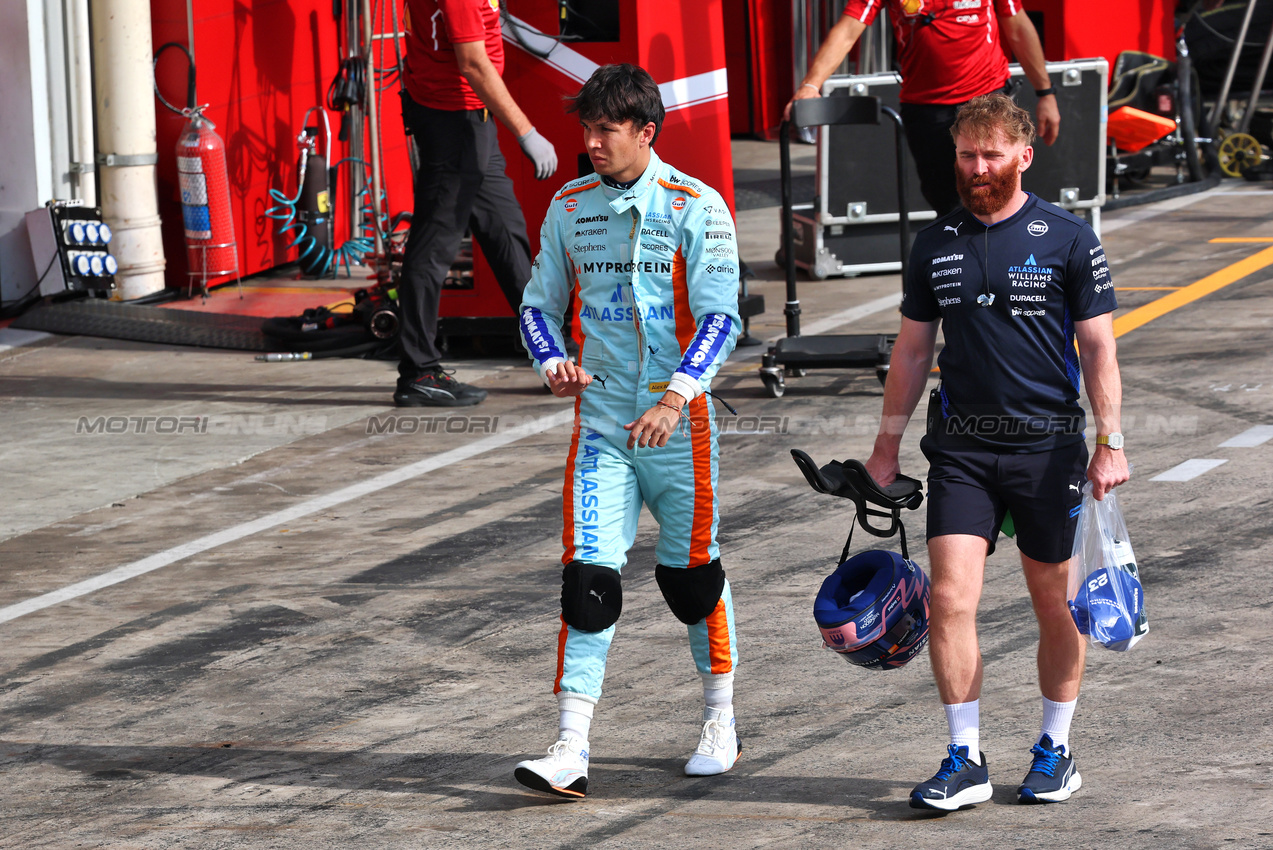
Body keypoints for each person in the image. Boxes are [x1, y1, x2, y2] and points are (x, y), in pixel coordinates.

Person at [863, 93, 1129, 810]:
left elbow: (1098, 350)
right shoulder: (935, 243)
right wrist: (884, 450)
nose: (976, 168)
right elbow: (912, 352)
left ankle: (1055, 750)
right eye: (965, 155)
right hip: (962, 451)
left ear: (1023, 156)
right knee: (949, 598)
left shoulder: (1069, 238)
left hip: (1047, 450)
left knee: (1055, 603)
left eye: (990, 155)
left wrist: (1109, 443)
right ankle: (964, 758)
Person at [512, 64, 743, 799]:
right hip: (602, 425)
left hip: (679, 427)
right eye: (585, 129)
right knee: (588, 579)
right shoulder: (568, 206)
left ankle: (720, 717)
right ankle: (570, 746)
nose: (590, 143)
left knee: (689, 577)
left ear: (646, 132)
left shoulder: (697, 206)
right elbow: (537, 306)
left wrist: (675, 398)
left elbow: (721, 317)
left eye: (605, 130)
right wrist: (552, 360)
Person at [395, 0, 558, 407]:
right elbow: (472, 62)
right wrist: (526, 132)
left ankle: (550, 355)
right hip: (454, 120)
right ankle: (419, 372)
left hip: (467, 115)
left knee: (506, 233)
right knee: (434, 245)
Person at [788, 0, 1059, 217]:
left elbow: (1017, 27)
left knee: (997, 199)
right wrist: (810, 86)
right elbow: (848, 29)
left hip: (986, 101)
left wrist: (1045, 93)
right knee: (948, 207)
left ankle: (1003, 266)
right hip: (926, 109)